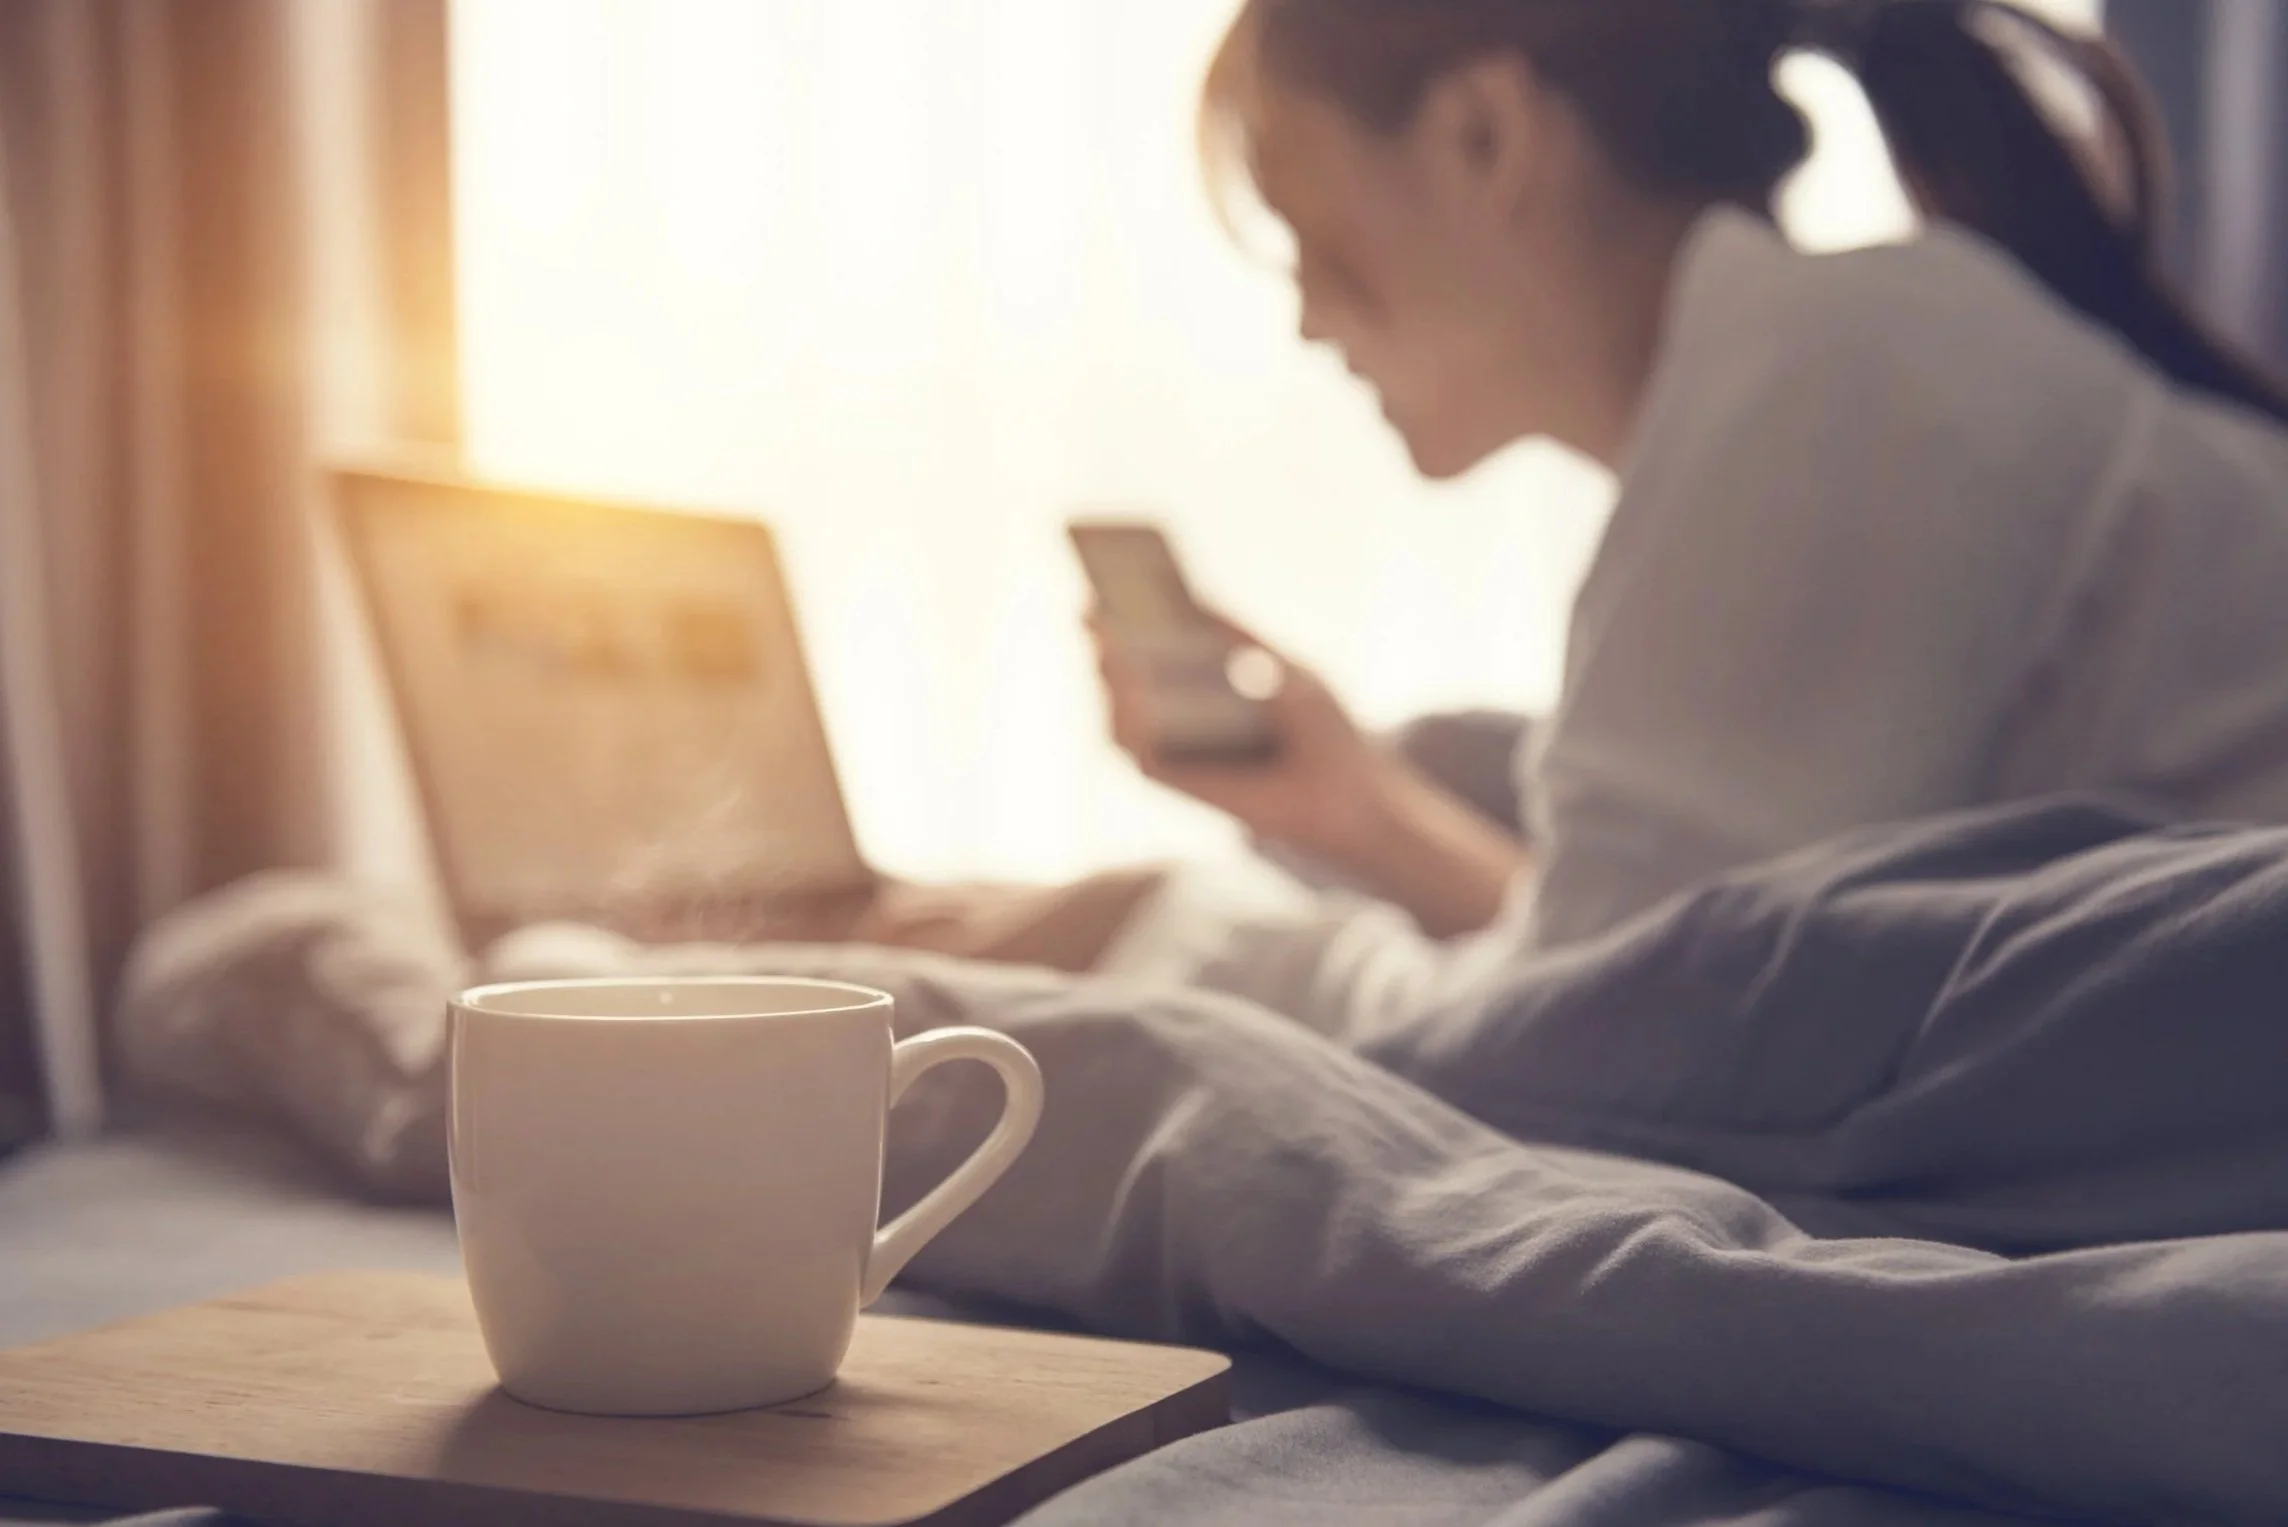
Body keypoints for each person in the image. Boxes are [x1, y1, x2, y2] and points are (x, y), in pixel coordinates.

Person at [846, 0, 2288, 1043]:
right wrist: (1356, 811)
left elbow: (1594, 1058)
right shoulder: (1824, 368)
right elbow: (1651, 957)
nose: (1301, 314)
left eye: (1307, 227)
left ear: (1484, 134)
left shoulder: (1837, 378)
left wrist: (1163, 929)